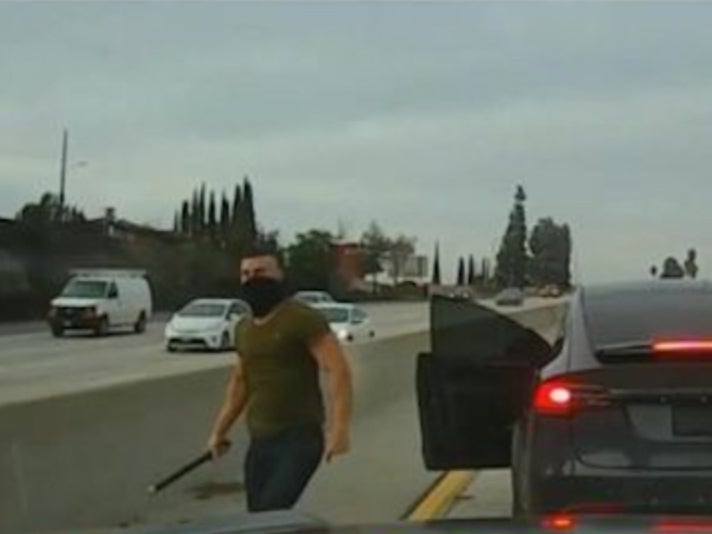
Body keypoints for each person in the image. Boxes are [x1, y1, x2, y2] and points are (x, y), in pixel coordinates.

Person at [207, 247, 353, 512]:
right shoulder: (244, 328)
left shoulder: (302, 318)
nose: (253, 278)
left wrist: (339, 429)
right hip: (260, 439)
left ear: (279, 274)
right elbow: (240, 381)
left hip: (299, 437)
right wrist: (220, 431)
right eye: (246, 273)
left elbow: (337, 371)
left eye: (261, 271)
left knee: (270, 512)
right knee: (258, 518)